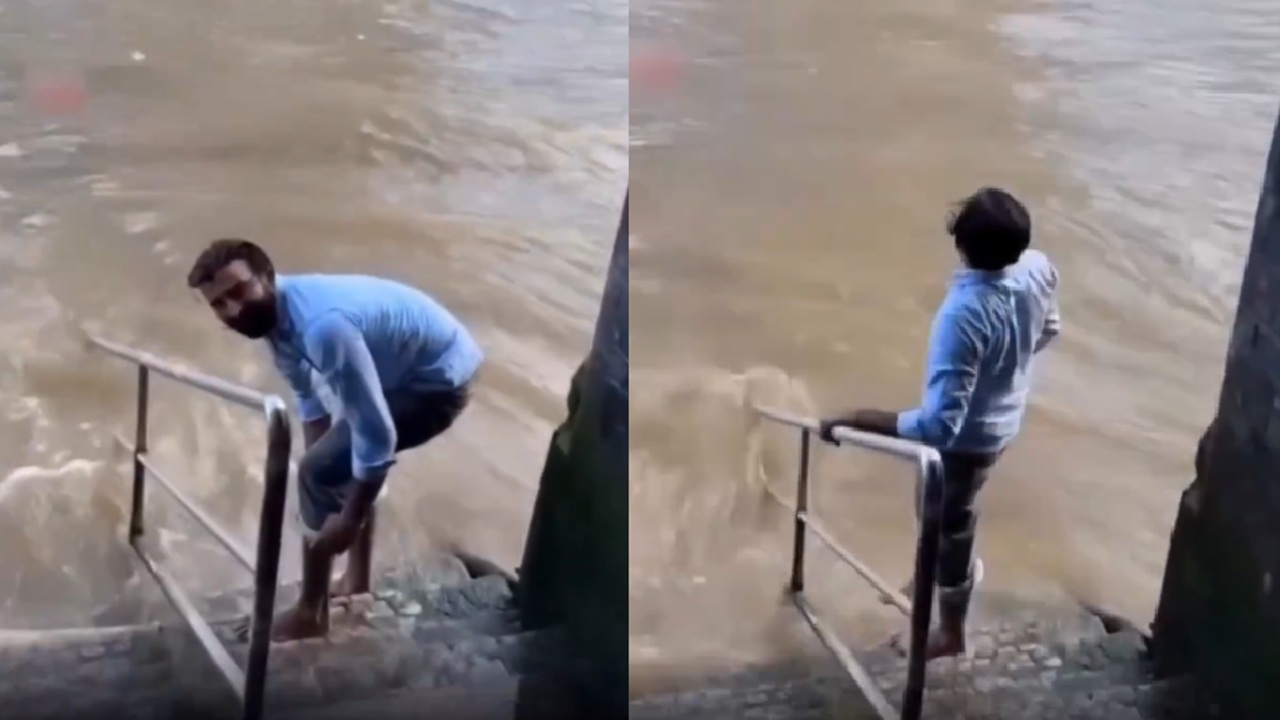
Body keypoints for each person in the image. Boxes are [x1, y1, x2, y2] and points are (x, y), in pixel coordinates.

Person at [187, 238, 483, 642]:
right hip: (405, 364)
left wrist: (347, 515)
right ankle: (356, 582)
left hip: (439, 378)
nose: (233, 311)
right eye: (218, 304)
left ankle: (311, 611)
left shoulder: (322, 327)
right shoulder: (276, 320)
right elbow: (311, 402)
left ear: (268, 277)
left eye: (239, 291)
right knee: (330, 464)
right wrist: (327, 474)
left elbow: (377, 437)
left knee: (322, 469)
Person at [818, 187, 1060, 661]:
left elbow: (938, 427)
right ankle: (930, 576)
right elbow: (1049, 330)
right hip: (1004, 420)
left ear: (962, 247)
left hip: (967, 442)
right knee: (939, 516)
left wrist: (855, 420)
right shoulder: (1038, 268)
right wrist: (1003, 371)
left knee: (951, 528)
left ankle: (950, 631)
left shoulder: (964, 313)